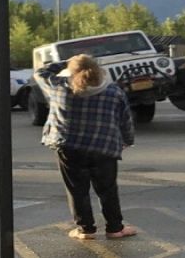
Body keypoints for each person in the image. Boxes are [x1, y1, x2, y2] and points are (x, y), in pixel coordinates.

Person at [34, 54, 137, 240]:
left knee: (77, 190)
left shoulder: (58, 87)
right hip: (104, 148)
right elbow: (125, 120)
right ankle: (115, 228)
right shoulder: (114, 91)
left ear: (72, 71)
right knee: (107, 190)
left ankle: (85, 229)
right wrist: (127, 140)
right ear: (97, 70)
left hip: (69, 148)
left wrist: (66, 62)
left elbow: (41, 72)